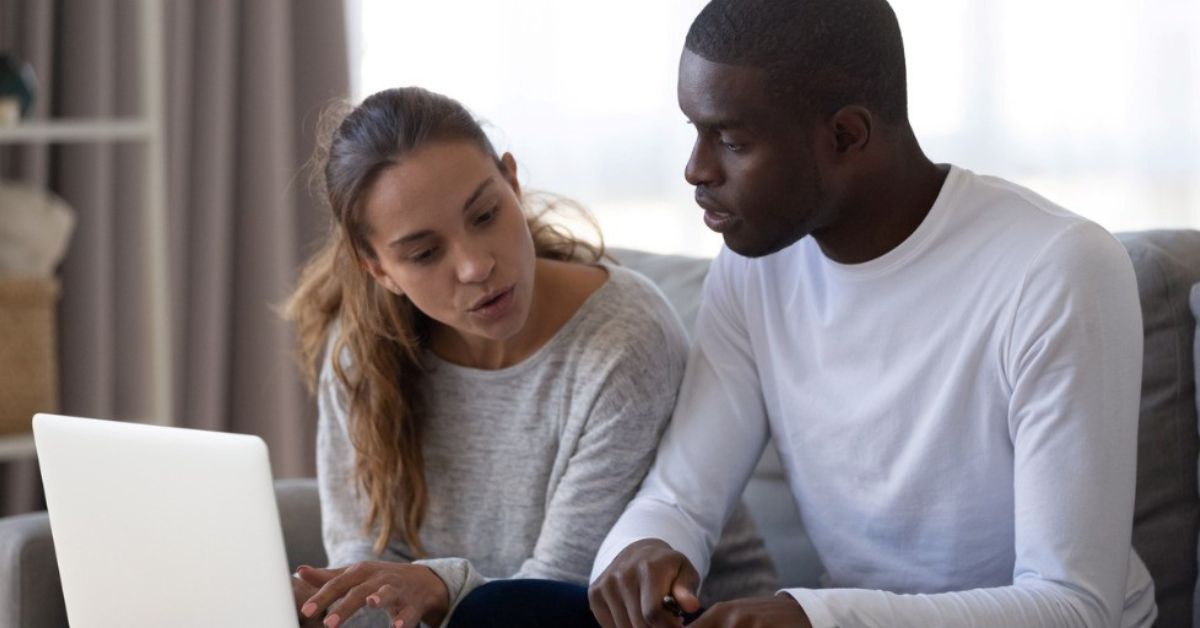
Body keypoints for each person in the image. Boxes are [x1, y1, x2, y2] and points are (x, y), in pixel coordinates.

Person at [587, 0, 1159, 627]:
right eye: (693, 131)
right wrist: (642, 550)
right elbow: (679, 498)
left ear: (846, 135)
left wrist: (816, 619)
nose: (695, 169)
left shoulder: (1058, 268)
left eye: (730, 140)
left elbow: (1075, 606)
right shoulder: (755, 267)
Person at [283, 87, 777, 628]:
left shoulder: (623, 340)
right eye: (425, 253)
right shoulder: (360, 355)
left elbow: (555, 591)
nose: (475, 265)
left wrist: (438, 586)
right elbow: (362, 560)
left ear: (512, 182)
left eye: (486, 214)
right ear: (376, 268)